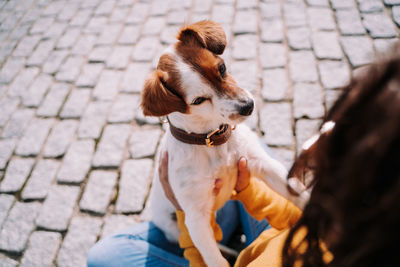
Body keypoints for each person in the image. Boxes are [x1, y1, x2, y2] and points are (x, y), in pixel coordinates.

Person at [87, 46, 400, 266]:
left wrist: (186, 214)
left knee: (104, 256)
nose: (307, 148)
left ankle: (228, 249)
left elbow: (196, 223)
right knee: (255, 152)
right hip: (278, 225)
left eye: (338, 138)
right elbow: (293, 216)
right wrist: (248, 189)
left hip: (213, 231)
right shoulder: (341, 230)